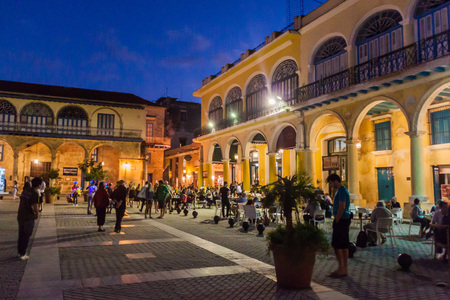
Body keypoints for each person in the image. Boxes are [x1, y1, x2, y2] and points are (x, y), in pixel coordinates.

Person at [327, 173, 351, 278]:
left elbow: (342, 206)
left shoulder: (341, 191)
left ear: (335, 181)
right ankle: (343, 268)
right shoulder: (343, 190)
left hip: (341, 220)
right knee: (344, 244)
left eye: (331, 183)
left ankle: (341, 268)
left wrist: (337, 219)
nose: (331, 185)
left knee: (337, 244)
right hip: (344, 219)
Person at [17, 177, 41, 260]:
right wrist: (36, 214)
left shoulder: (25, 191)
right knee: (26, 235)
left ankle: (20, 252)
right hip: (28, 216)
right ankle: (23, 254)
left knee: (21, 234)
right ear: (39, 185)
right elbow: (35, 206)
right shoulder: (34, 193)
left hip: (20, 215)